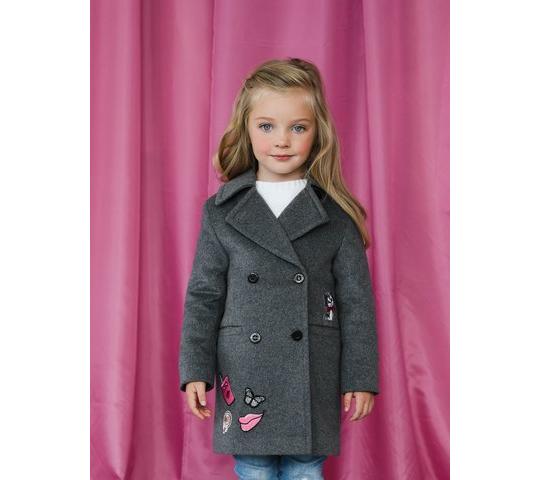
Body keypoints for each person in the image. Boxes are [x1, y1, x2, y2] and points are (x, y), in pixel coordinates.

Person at [178, 57, 379, 480]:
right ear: (246, 129)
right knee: (252, 467)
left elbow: (356, 304)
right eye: (267, 126)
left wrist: (360, 377)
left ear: (318, 133)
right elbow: (204, 297)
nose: (282, 141)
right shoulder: (221, 212)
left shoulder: (336, 216)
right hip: (245, 368)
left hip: (311, 369)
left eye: (298, 127)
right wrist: (195, 369)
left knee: (307, 468)